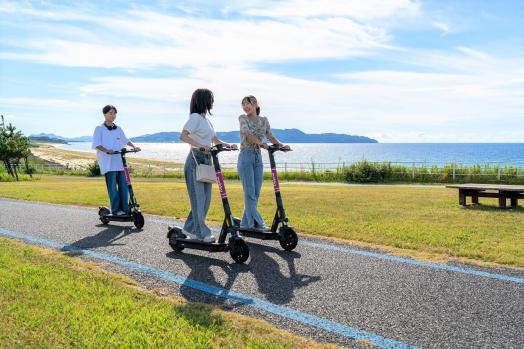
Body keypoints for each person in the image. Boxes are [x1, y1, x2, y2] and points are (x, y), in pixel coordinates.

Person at [180, 89, 237, 243]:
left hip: (207, 160)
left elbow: (214, 139)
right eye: (210, 98)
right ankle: (201, 233)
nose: (212, 102)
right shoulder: (195, 117)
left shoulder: (206, 120)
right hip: (195, 160)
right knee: (198, 199)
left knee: (205, 200)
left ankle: (189, 228)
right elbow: (183, 135)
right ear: (203, 100)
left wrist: (228, 145)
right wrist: (200, 146)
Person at [237, 95, 289, 230]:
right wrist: (261, 144)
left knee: (256, 193)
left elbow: (270, 135)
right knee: (249, 192)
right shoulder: (242, 118)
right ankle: (259, 223)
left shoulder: (264, 120)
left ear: (255, 104)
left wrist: (281, 146)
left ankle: (245, 223)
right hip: (246, 156)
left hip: (257, 157)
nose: (245, 106)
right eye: (243, 104)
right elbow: (247, 134)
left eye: (248, 103)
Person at [92, 105, 140, 215]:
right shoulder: (99, 129)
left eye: (114, 113)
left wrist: (134, 147)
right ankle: (116, 210)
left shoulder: (118, 129)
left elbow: (125, 140)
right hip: (108, 163)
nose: (113, 115)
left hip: (120, 163)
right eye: (110, 113)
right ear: (104, 114)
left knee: (124, 185)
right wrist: (106, 150)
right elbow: (96, 144)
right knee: (113, 188)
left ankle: (125, 208)